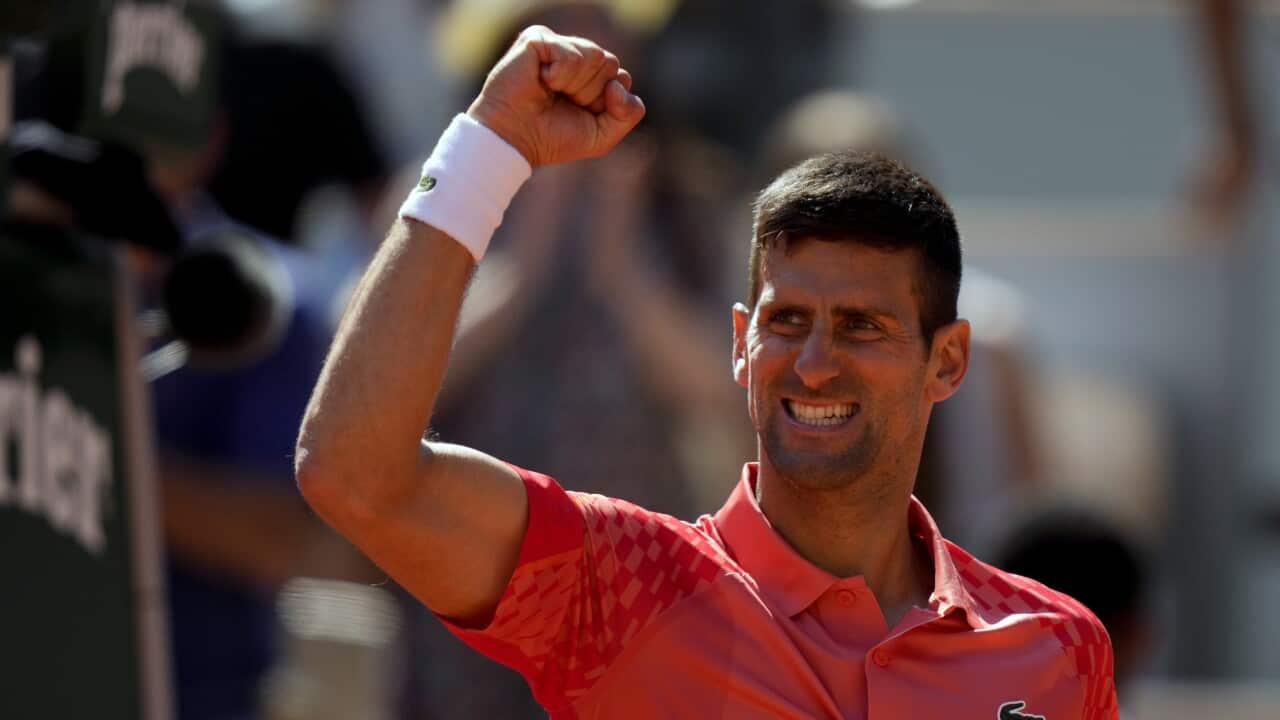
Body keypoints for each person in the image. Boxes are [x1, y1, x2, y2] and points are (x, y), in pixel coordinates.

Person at [296, 26, 1119, 718]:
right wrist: (487, 148)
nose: (816, 363)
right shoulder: (622, 584)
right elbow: (354, 473)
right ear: (740, 344)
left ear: (948, 362)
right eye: (786, 322)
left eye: (861, 327)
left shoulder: (1057, 645)